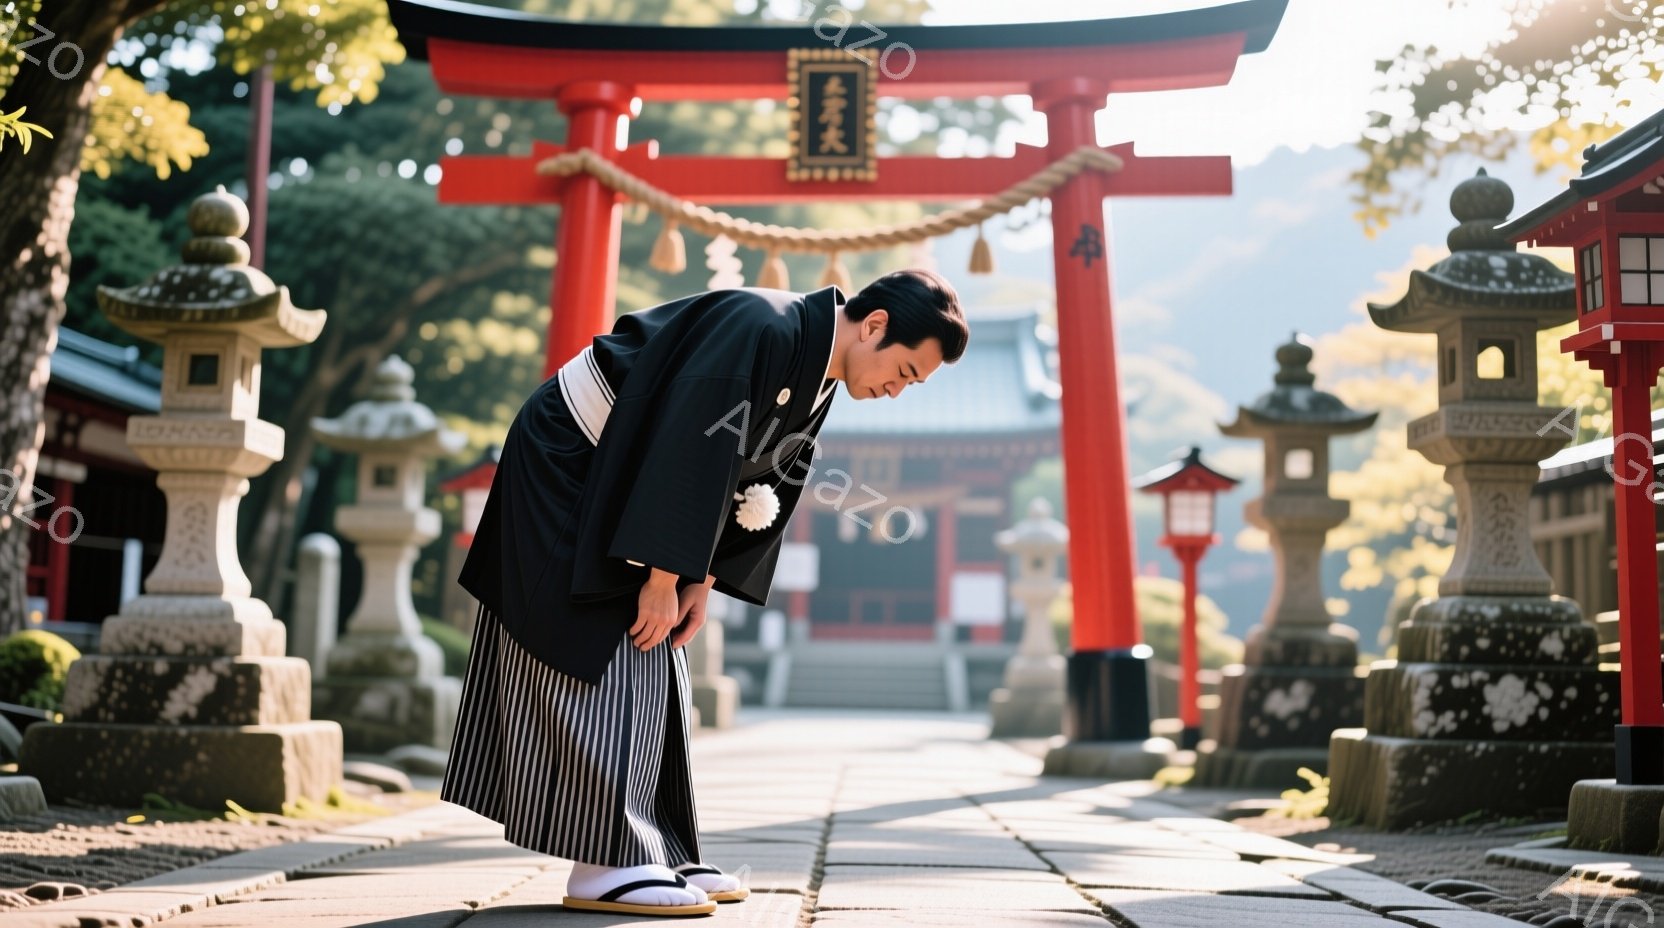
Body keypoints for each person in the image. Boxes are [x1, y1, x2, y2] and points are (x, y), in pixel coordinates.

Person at [441, 268, 969, 917]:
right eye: (906, 372)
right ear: (875, 325)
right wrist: (663, 577)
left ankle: (657, 845)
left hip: (629, 478)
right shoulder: (764, 326)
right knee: (600, 638)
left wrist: (702, 578)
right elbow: (689, 444)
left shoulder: (817, 366)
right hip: (572, 458)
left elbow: (762, 479)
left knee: (660, 656)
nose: (897, 390)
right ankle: (605, 860)